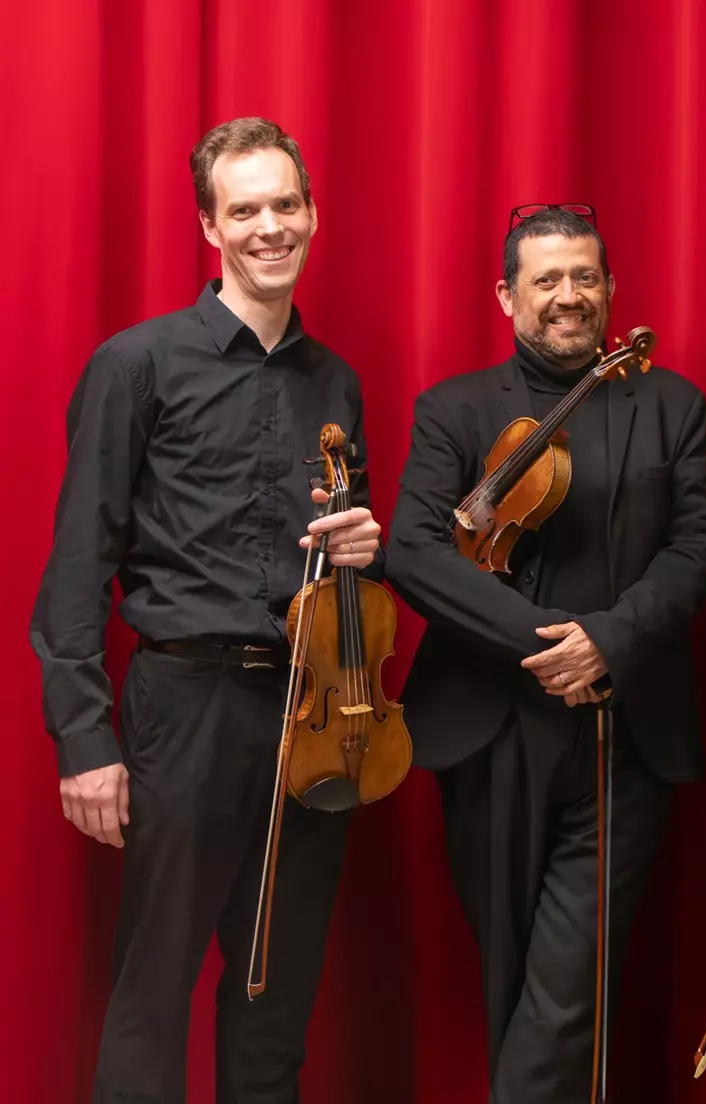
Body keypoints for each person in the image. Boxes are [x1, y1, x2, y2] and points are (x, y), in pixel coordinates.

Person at [30, 116, 384, 1101]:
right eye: (246, 210)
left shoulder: (336, 383)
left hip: (314, 716)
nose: (270, 227)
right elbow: (76, 567)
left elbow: (348, 575)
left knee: (277, 996)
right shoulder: (136, 365)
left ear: (312, 214)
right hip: (185, 707)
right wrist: (84, 740)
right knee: (153, 994)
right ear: (210, 226)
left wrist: (368, 551)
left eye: (286, 205)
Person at [384, 204, 706, 1101]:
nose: (568, 296)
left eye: (584, 277)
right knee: (513, 974)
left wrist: (606, 640)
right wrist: (544, 644)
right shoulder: (454, 409)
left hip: (620, 732)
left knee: (569, 983)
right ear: (507, 297)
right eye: (546, 280)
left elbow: (696, 548)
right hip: (491, 729)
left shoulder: (671, 405)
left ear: (610, 289)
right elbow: (413, 550)